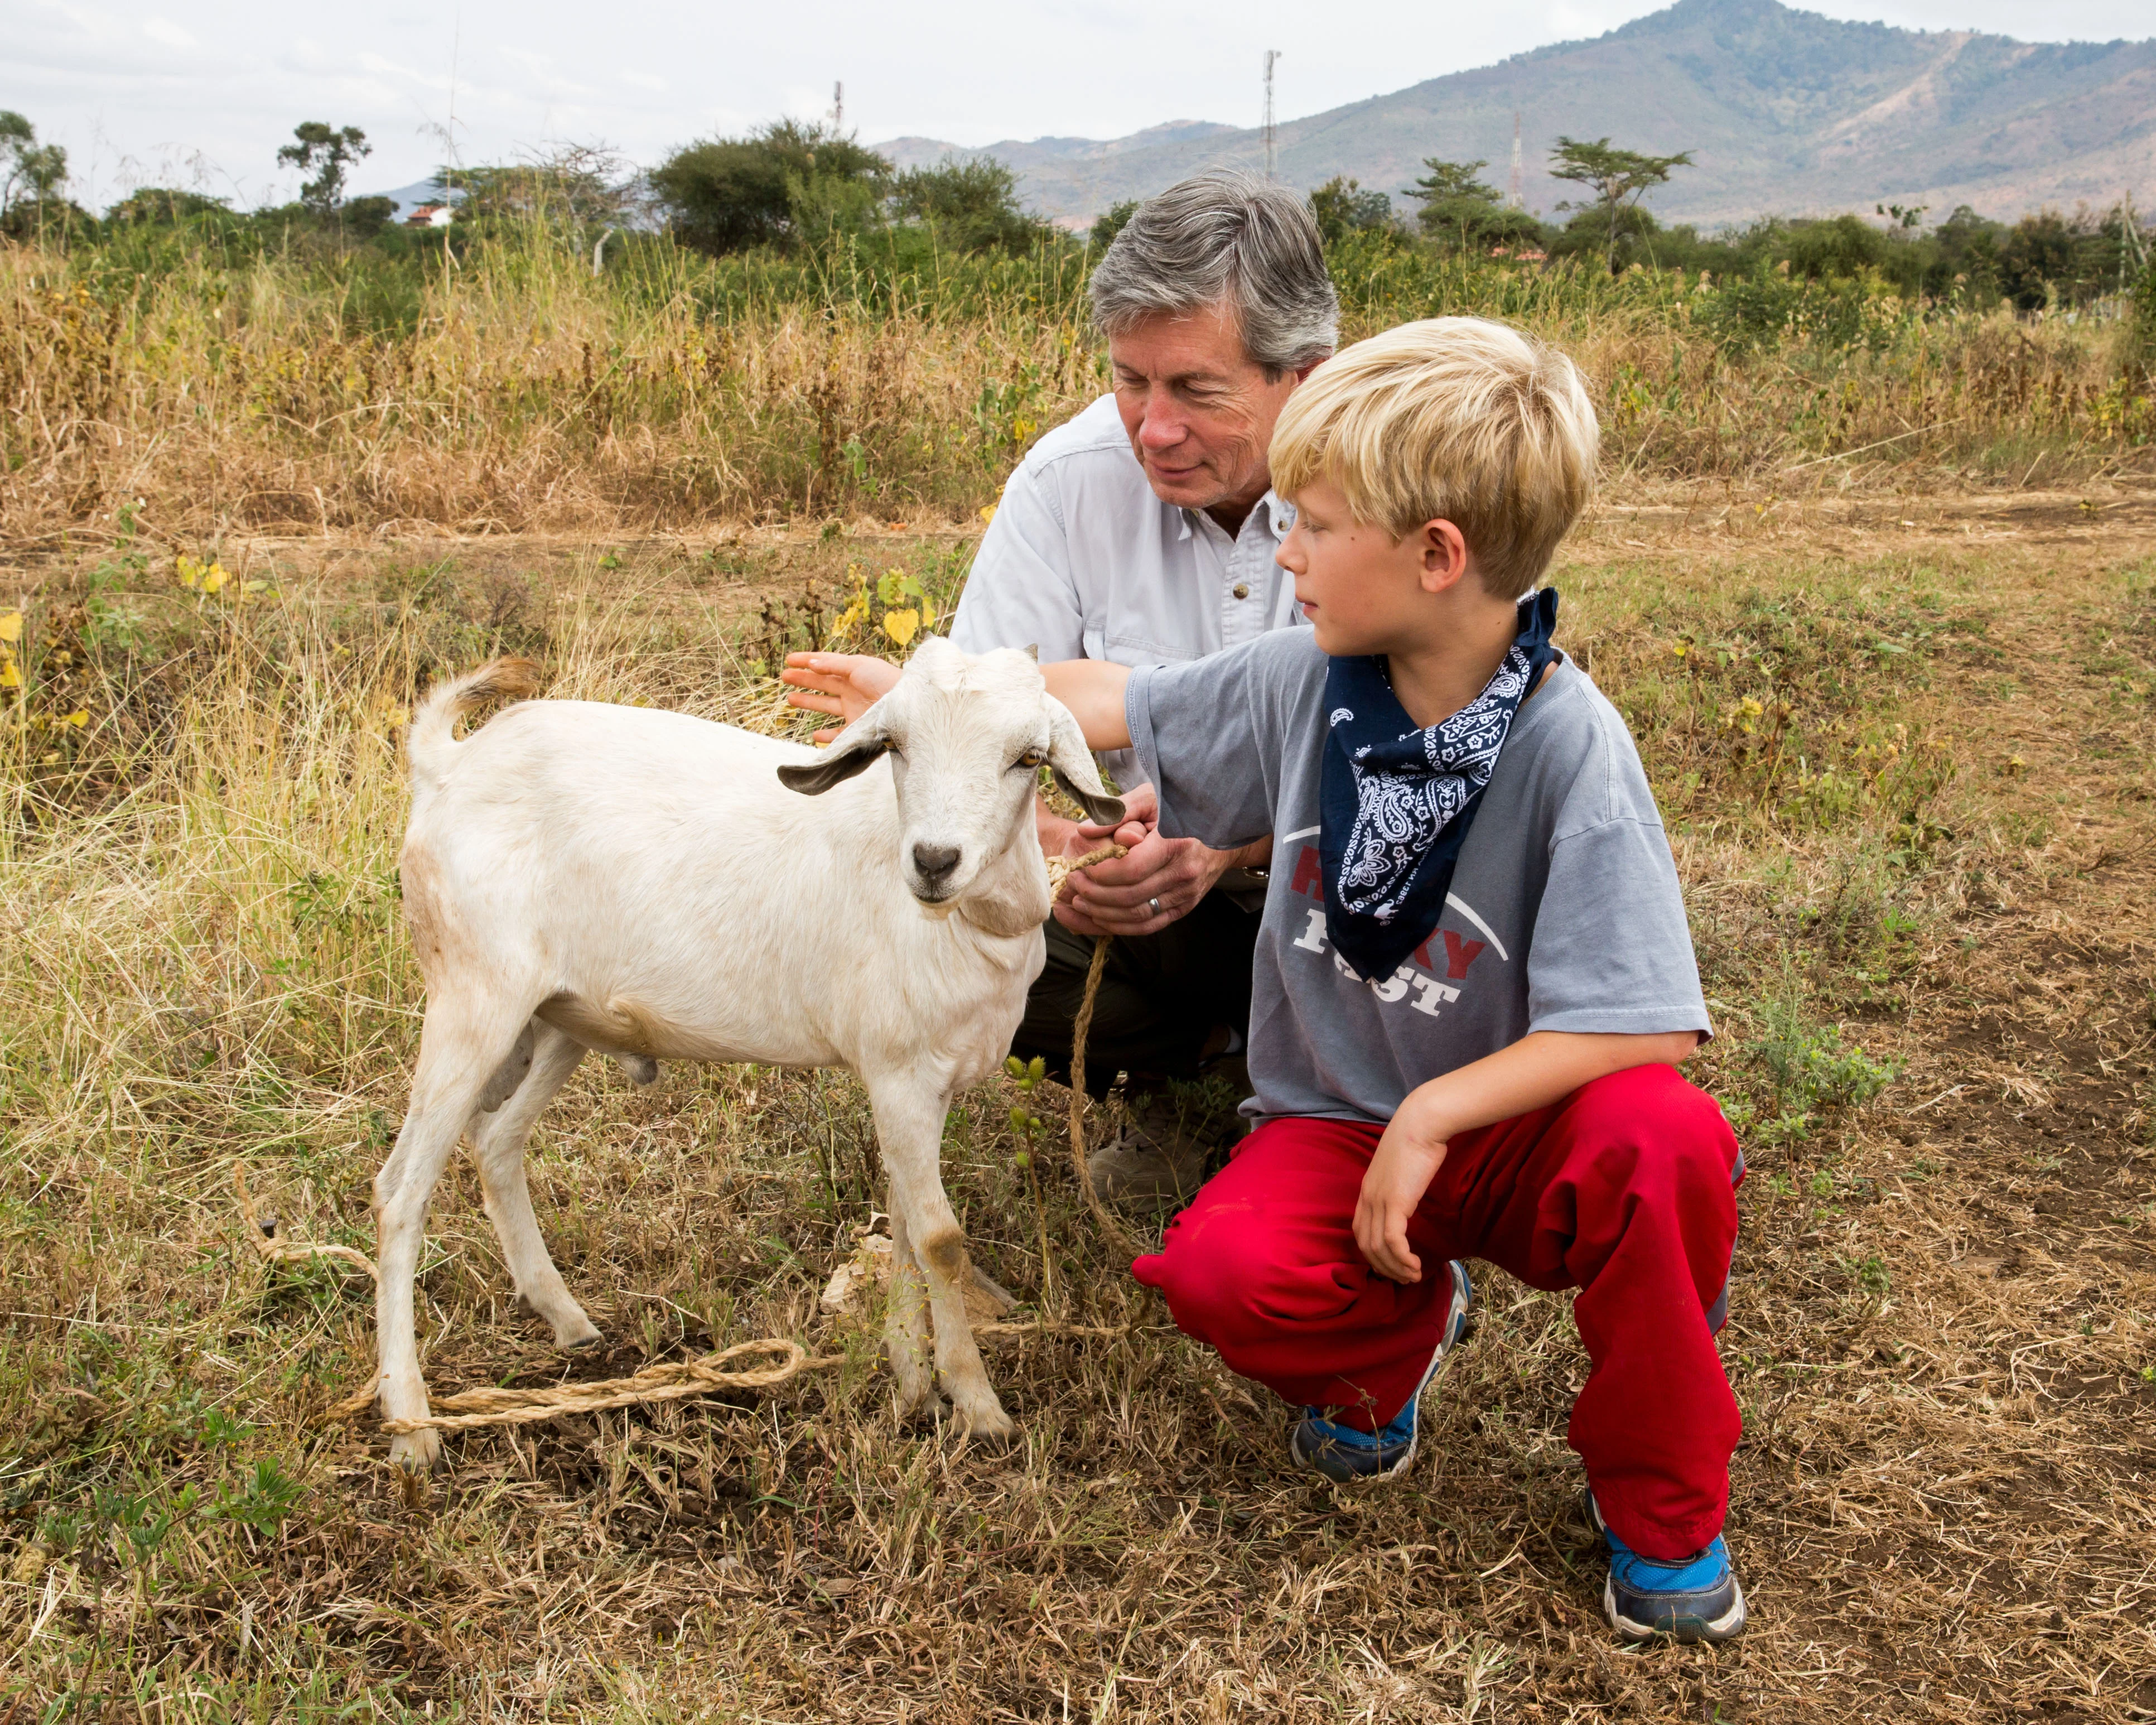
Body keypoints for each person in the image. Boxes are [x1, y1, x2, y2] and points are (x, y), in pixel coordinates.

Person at [1030, 317, 1749, 1641]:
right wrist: (946, 694)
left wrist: (1433, 1118)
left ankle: (1664, 1505)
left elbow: (1648, 1019)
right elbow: (1115, 699)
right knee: (1219, 1278)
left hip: (1510, 1130)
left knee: (1670, 1141)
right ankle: (1391, 1349)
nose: (1284, 552)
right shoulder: (1312, 678)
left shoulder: (1570, 745)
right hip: (1331, 1122)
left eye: (1311, 523)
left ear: (1437, 557)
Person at [785, 170, 1335, 1207]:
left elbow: (1444, 751)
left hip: (1339, 888)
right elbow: (994, 729)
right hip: (1142, 917)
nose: (1152, 428)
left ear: (1303, 377)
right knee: (928, 914)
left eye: (1197, 391)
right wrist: (1063, 841)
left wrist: (1232, 837)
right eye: (1133, 381)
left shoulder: (1400, 475)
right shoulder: (1067, 479)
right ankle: (1210, 1069)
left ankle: (1334, 1097)